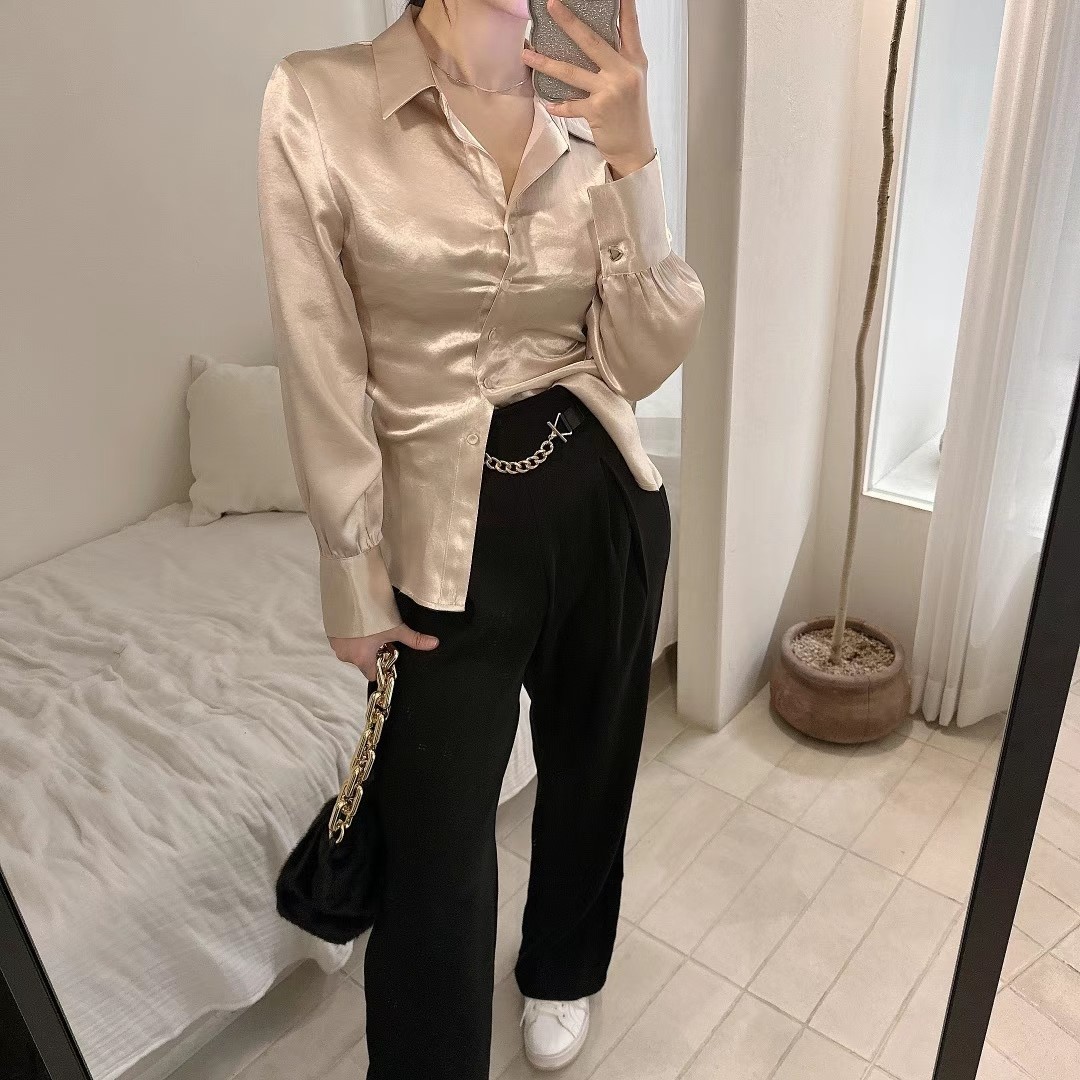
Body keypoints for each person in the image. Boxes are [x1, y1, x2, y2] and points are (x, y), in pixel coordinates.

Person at [256, 0, 705, 1075]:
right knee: (436, 843)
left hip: (602, 497)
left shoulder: (586, 116)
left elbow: (642, 359)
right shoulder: (318, 101)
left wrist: (634, 154)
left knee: (593, 765)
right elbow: (320, 356)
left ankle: (563, 966)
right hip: (438, 534)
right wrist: (352, 574)